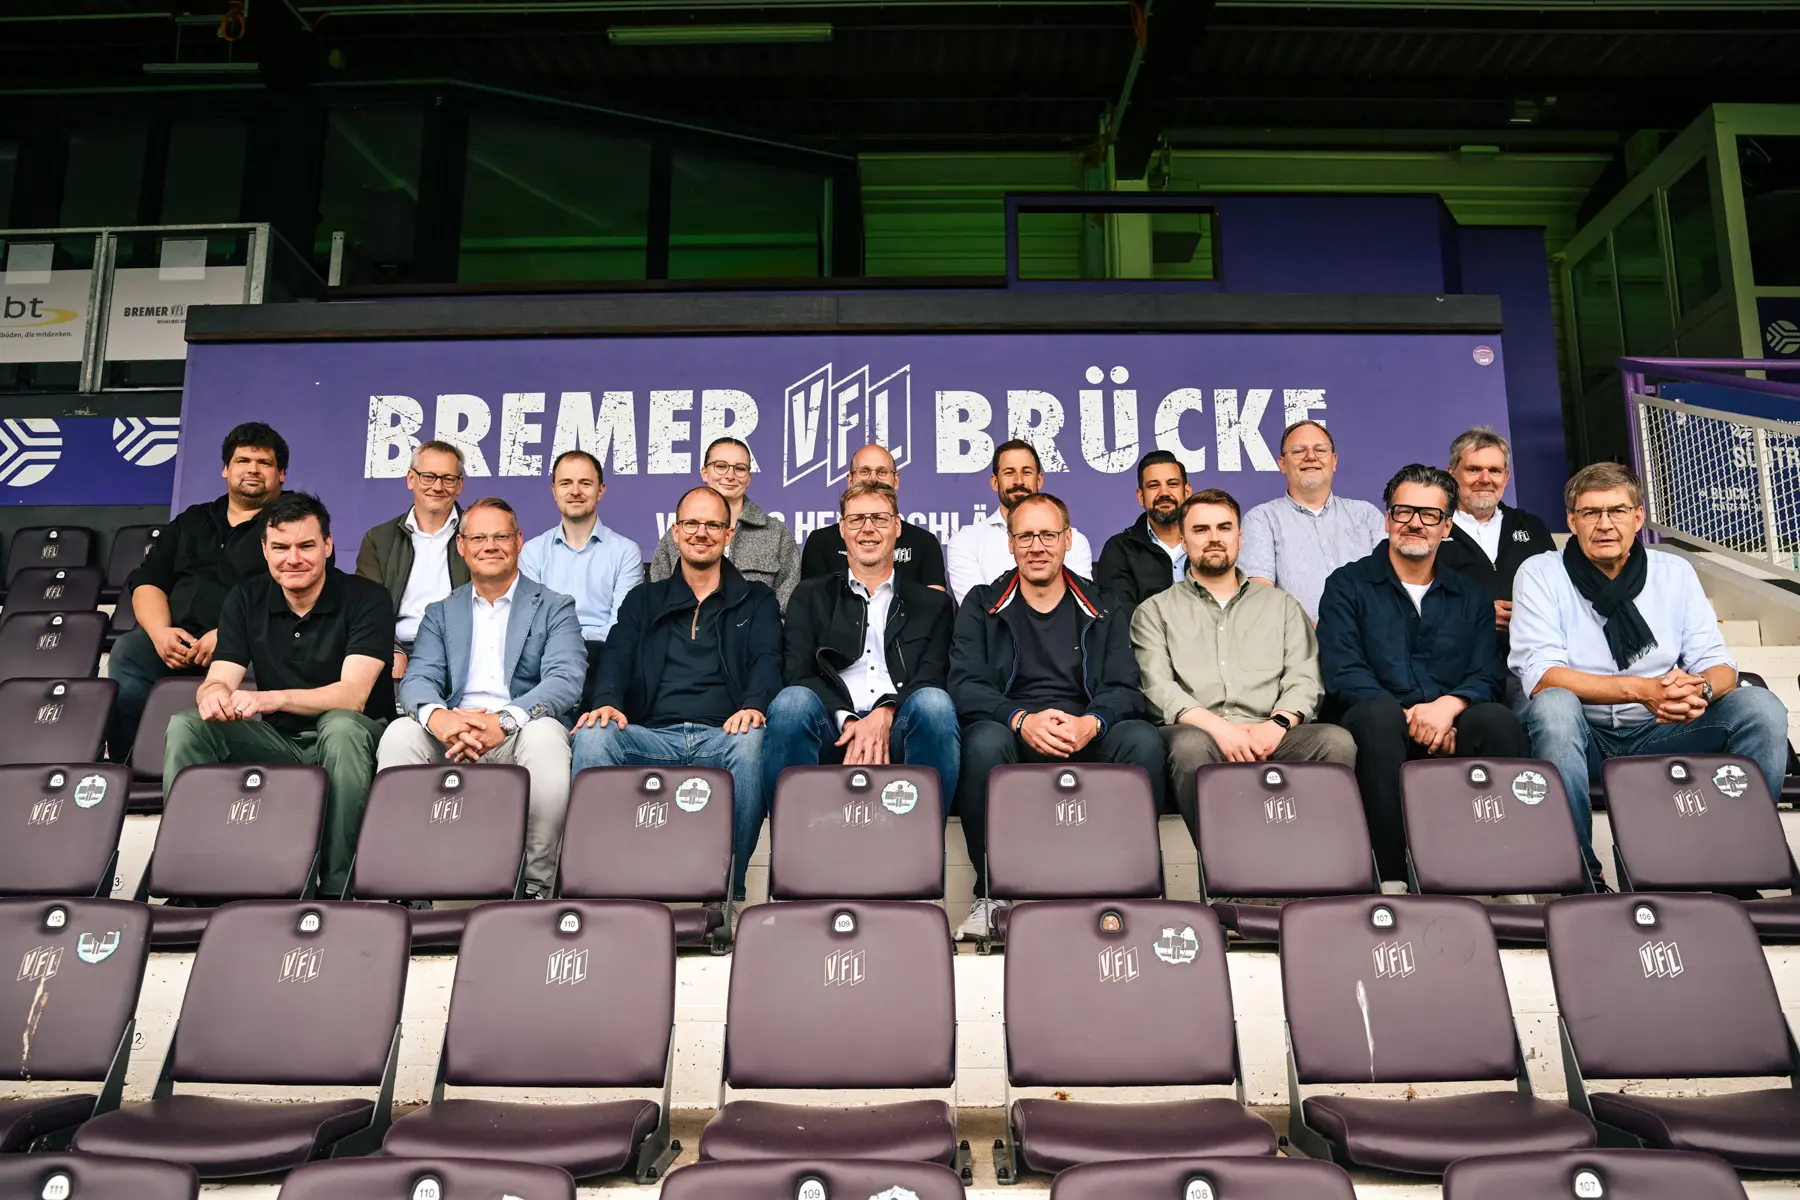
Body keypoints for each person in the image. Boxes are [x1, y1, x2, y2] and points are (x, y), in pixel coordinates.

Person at [1510, 462, 1791, 884]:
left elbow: (1718, 663)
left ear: (1639, 517)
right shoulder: (1540, 573)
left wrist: (1696, 688)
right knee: (1553, 707)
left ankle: (1736, 866)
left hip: (1662, 729)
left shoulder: (1674, 572)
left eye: (1618, 511)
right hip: (1581, 738)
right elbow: (1543, 675)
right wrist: (1642, 690)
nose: (1605, 524)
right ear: (1571, 521)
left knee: (1760, 708)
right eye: (1591, 513)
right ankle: (1578, 876)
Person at [948, 492, 1163, 940]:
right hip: (1014, 732)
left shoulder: (1104, 604)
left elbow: (1126, 688)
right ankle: (991, 894)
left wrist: (1093, 723)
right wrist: (1021, 720)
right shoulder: (983, 603)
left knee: (1142, 739)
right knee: (982, 741)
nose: (1037, 546)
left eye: (1048, 534)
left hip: (1086, 729)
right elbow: (965, 686)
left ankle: (1132, 887)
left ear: (1067, 540)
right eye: (1024, 535)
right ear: (1009, 544)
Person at [162, 493, 394, 896]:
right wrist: (213, 693)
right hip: (281, 742)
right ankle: (191, 878)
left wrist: (272, 699)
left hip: (357, 738)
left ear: (328, 545)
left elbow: (353, 696)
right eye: (281, 547)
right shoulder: (246, 598)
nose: (293, 559)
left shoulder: (366, 597)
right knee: (188, 726)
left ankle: (339, 885)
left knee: (340, 727)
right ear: (265, 550)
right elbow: (221, 676)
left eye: (306, 546)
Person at [1316, 464, 1530, 882]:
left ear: (1446, 526)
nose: (1415, 523)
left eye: (1429, 515)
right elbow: (1343, 671)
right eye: (1403, 512)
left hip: (1450, 718)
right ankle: (1392, 878)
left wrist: (1448, 708)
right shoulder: (1347, 584)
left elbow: (1486, 671)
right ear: (1387, 519)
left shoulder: (1471, 594)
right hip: (1373, 719)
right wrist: (1411, 717)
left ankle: (1505, 875)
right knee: (1378, 718)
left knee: (1497, 720)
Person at [575, 486, 782, 902]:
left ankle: (725, 896)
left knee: (752, 743)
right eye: (691, 523)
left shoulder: (755, 598)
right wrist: (607, 703)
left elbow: (769, 659)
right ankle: (603, 892)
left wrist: (754, 706)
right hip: (651, 734)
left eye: (712, 525)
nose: (701, 533)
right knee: (594, 736)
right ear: (674, 532)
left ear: (729, 535)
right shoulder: (644, 599)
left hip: (724, 734)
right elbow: (614, 655)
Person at [380, 497, 587, 895]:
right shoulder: (441, 611)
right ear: (461, 546)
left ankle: (534, 885)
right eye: (478, 537)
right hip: (455, 734)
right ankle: (404, 884)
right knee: (399, 736)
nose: (489, 546)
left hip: (519, 733)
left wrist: (504, 721)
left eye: (500, 536)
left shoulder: (554, 606)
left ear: (519, 541)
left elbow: (565, 680)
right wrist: (441, 719)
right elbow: (419, 678)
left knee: (546, 738)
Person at [1130, 488, 1356, 837]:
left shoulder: (1281, 606)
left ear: (1240, 537)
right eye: (1201, 530)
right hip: (1201, 732)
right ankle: (1225, 868)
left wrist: (1277, 725)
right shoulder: (1154, 611)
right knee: (1189, 747)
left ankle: (1310, 860)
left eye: (1224, 527)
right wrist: (1222, 730)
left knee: (1336, 741)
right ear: (1184, 539)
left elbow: (1305, 678)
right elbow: (1157, 688)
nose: (1214, 538)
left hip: (1274, 731)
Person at [765, 480, 960, 802]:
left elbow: (935, 674)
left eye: (880, 519)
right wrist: (849, 720)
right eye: (856, 520)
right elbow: (797, 671)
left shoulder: (932, 603)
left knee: (935, 704)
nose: (867, 529)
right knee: (790, 703)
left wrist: (884, 713)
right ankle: (792, 845)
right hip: (831, 725)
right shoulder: (811, 595)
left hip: (901, 723)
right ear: (842, 529)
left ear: (897, 527)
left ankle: (925, 847)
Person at [107, 422, 288, 760]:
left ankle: (249, 766)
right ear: (225, 470)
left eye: (264, 463)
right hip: (178, 644)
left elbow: (294, 594)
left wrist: (232, 635)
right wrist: (161, 633)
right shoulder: (193, 519)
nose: (253, 469)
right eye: (242, 461)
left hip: (252, 645)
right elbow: (148, 581)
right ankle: (127, 764)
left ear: (281, 475)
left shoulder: (295, 522)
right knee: (130, 649)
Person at [519, 449, 645, 703]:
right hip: (547, 660)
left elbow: (623, 626)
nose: (575, 491)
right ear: (554, 490)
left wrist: (575, 645)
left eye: (585, 483)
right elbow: (530, 623)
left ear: (601, 490)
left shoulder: (625, 551)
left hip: (605, 661)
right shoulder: (532, 551)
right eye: (566, 483)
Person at [1240, 420, 1385, 621]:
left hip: (1372, 644)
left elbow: (1393, 584)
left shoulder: (1367, 515)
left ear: (1334, 460)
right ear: (1282, 464)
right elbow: (1261, 596)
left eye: (1320, 450)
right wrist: (1322, 635)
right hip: (1301, 648)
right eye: (1298, 451)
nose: (1310, 457)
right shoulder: (1261, 519)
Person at [355, 440, 471, 683]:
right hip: (396, 651)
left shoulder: (479, 536)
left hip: (464, 652)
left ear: (459, 485)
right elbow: (366, 608)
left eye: (448, 479)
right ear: (411, 479)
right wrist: (392, 649)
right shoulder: (379, 539)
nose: (438, 487)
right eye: (428, 476)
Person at [1434, 426, 1556, 649]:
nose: (1485, 479)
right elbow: (1413, 598)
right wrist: (1478, 614)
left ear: (1506, 476)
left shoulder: (1532, 526)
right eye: (1473, 469)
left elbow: (1556, 593)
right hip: (1456, 665)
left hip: (1530, 661)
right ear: (1451, 474)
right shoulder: (1431, 527)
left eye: (1495, 470)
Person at [649, 436, 799, 610]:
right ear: (704, 472)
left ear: (748, 478)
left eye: (740, 469)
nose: (730, 475)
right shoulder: (679, 534)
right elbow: (659, 599)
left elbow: (788, 606)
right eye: (720, 466)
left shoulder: (776, 534)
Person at [945, 439, 1095, 603]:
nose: (1019, 481)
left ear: (1039, 480)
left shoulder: (1072, 540)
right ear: (995, 482)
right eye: (1009, 473)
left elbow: (1079, 605)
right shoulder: (966, 541)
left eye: (1027, 472)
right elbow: (976, 610)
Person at [798, 443, 947, 590]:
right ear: (850, 481)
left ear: (896, 480)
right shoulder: (820, 542)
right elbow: (812, 604)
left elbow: (934, 607)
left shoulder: (924, 542)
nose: (873, 479)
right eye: (864, 471)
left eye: (882, 471)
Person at [1096, 450, 1194, 606]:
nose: (1164, 493)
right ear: (1141, 497)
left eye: (1172, 484)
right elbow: (1121, 618)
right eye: (1153, 486)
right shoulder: (1120, 550)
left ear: (1187, 492)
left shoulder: (1207, 542)